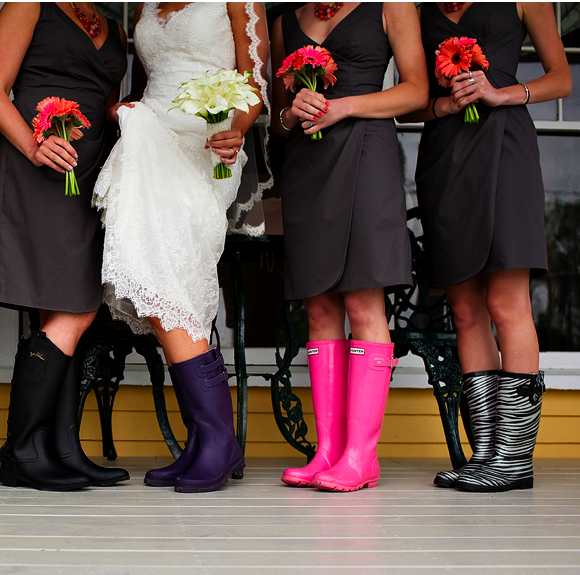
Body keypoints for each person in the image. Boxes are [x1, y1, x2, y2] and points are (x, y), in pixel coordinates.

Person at [93, 2, 270, 493]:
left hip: (208, 145)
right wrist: (119, 109)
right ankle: (207, 439)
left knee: (170, 279)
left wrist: (235, 129)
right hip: (147, 142)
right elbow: (138, 86)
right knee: (152, 278)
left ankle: (216, 439)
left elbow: (253, 83)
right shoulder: (146, 6)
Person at [399, 2, 570, 492]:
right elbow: (409, 99)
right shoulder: (416, 9)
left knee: (506, 302)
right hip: (444, 158)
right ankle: (486, 455)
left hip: (505, 147)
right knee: (465, 309)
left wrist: (500, 94)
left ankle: (513, 458)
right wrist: (443, 105)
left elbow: (561, 79)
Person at [271, 2, 428, 492]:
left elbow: (417, 91)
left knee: (363, 301)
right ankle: (328, 452)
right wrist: (291, 112)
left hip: (366, 152)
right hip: (307, 163)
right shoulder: (284, 20)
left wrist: (345, 105)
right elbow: (277, 119)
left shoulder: (391, 5)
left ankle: (361, 455)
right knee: (319, 308)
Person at [0, 2, 130, 491]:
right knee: (75, 309)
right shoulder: (29, 5)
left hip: (92, 171)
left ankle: (62, 450)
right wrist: (33, 145)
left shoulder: (113, 26)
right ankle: (23, 452)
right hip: (42, 164)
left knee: (67, 306)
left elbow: (106, 104)